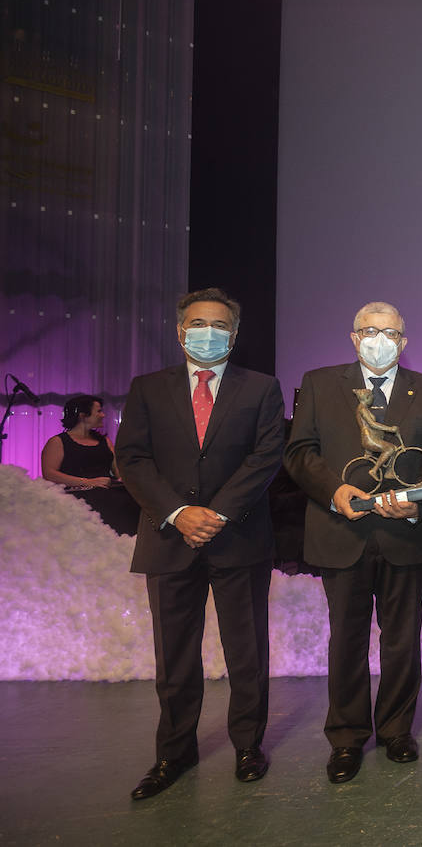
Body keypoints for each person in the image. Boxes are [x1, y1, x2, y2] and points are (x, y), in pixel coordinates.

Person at [114, 288, 284, 799]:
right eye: (196, 323)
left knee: (246, 651)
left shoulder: (262, 388)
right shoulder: (147, 388)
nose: (206, 332)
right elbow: (133, 459)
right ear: (179, 330)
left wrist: (217, 512)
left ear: (233, 335)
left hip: (238, 537)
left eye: (218, 324)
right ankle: (173, 754)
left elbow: (266, 455)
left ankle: (248, 746)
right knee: (175, 658)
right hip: (168, 538)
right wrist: (179, 512)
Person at [284, 301, 422, 784]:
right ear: (354, 337)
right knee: (347, 641)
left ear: (404, 341)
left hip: (404, 534)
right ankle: (346, 737)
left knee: (402, 640)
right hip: (342, 531)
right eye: (370, 331)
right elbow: (299, 452)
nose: (380, 340)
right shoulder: (318, 383)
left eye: (391, 333)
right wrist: (333, 491)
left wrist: (420, 504)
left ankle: (397, 729)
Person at [41, 395, 117, 487]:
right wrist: (87, 482)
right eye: (99, 411)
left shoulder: (105, 441)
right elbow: (49, 475)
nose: (103, 415)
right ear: (83, 416)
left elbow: (118, 470)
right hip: (73, 498)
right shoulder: (58, 442)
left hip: (107, 494)